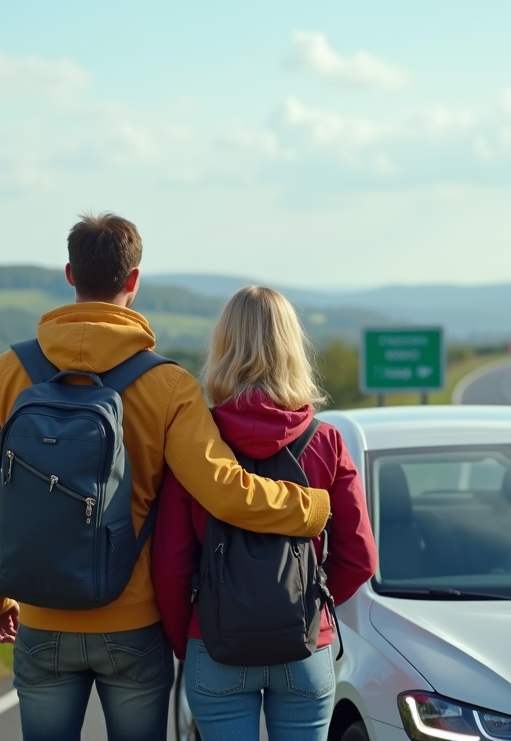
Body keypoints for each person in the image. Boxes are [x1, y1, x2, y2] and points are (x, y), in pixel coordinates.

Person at [0, 215, 332, 741]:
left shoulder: (5, 373)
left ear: (69, 274)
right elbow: (224, 491)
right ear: (134, 280)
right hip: (132, 620)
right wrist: (311, 508)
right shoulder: (168, 384)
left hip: (40, 615)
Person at [152, 286, 378, 741]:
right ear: (292, 349)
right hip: (304, 646)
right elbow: (359, 559)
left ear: (223, 348)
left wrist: (190, 639)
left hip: (215, 645)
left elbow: (171, 565)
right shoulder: (326, 441)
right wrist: (311, 606)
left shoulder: (198, 444)